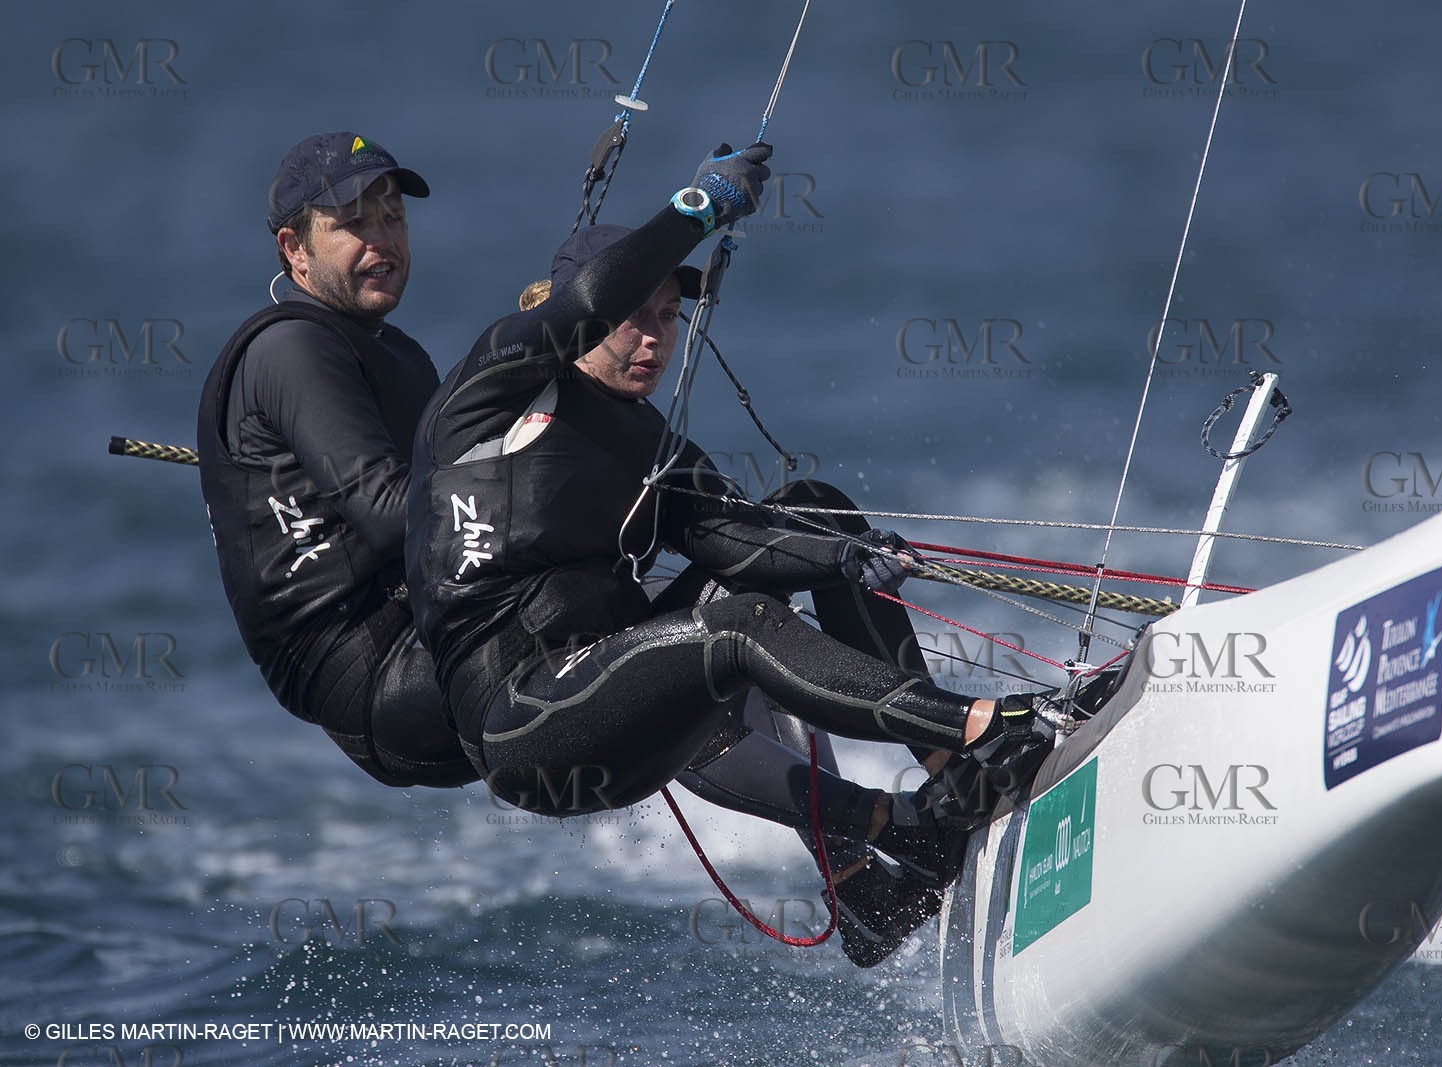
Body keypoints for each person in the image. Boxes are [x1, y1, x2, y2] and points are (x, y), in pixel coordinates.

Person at [405, 143, 1070, 956]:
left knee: (813, 515)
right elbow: (587, 294)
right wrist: (702, 205)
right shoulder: (495, 389)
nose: (654, 338)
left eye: (667, 318)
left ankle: (939, 795)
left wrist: (842, 557)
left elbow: (743, 542)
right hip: (525, 724)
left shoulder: (653, 445)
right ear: (575, 317)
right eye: (634, 316)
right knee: (742, 626)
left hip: (622, 691)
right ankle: (981, 726)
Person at [197, 131, 475, 788]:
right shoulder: (291, 350)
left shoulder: (396, 352)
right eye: (353, 223)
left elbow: (452, 480)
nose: (382, 239)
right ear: (295, 249)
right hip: (369, 669)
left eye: (393, 218)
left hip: (419, 630)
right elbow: (391, 514)